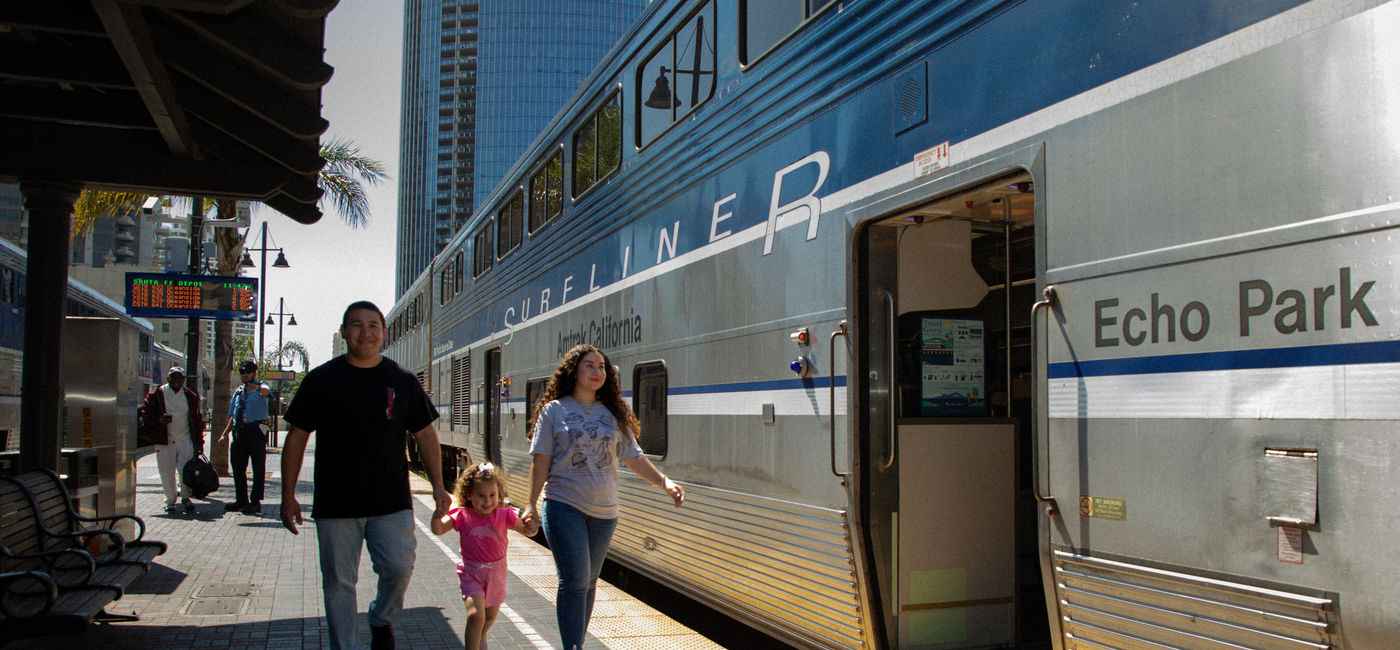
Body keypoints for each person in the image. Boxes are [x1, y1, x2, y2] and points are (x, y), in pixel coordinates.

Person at [280, 301, 452, 650]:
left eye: (373, 325)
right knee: (339, 583)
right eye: (356, 325)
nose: (365, 332)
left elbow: (425, 435)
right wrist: (287, 495)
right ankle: (345, 645)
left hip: (391, 501)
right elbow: (297, 436)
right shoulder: (321, 380)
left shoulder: (401, 380)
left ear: (383, 333)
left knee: (399, 568)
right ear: (344, 332)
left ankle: (381, 619)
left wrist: (439, 487)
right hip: (335, 503)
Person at [524, 344, 685, 650]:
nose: (597, 372)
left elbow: (633, 457)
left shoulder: (612, 413)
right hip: (563, 504)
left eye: (602, 367)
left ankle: (576, 643)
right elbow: (541, 460)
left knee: (588, 583)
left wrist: (664, 482)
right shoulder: (555, 410)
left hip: (605, 512)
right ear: (574, 371)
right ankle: (573, 647)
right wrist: (531, 503)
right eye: (589, 366)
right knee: (574, 581)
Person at [431, 462, 540, 650]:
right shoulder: (462, 515)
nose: (487, 501)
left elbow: (528, 531)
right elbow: (438, 529)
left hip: (497, 575)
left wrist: (532, 527)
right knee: (476, 615)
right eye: (481, 496)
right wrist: (437, 515)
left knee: (489, 617)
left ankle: (481, 636)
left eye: (492, 495)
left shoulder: (505, 514)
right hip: (472, 574)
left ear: (499, 494)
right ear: (469, 496)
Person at [141, 366, 205, 514]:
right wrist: (158, 420)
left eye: (179, 378)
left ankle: (185, 497)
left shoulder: (190, 397)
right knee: (166, 471)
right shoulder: (157, 394)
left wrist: (198, 443)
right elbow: (145, 414)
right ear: (168, 378)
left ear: (183, 380)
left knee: (185, 470)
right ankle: (170, 500)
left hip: (185, 439)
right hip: (165, 441)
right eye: (173, 377)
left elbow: (196, 421)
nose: (176, 381)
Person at [221, 359, 271, 515]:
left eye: (248, 371)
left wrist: (256, 387)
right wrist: (225, 434)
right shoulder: (238, 392)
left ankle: (255, 502)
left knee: (257, 468)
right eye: (242, 372)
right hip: (240, 432)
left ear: (254, 373)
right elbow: (233, 416)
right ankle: (241, 500)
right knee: (238, 467)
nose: (245, 374)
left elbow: (267, 392)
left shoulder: (261, 387)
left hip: (256, 431)